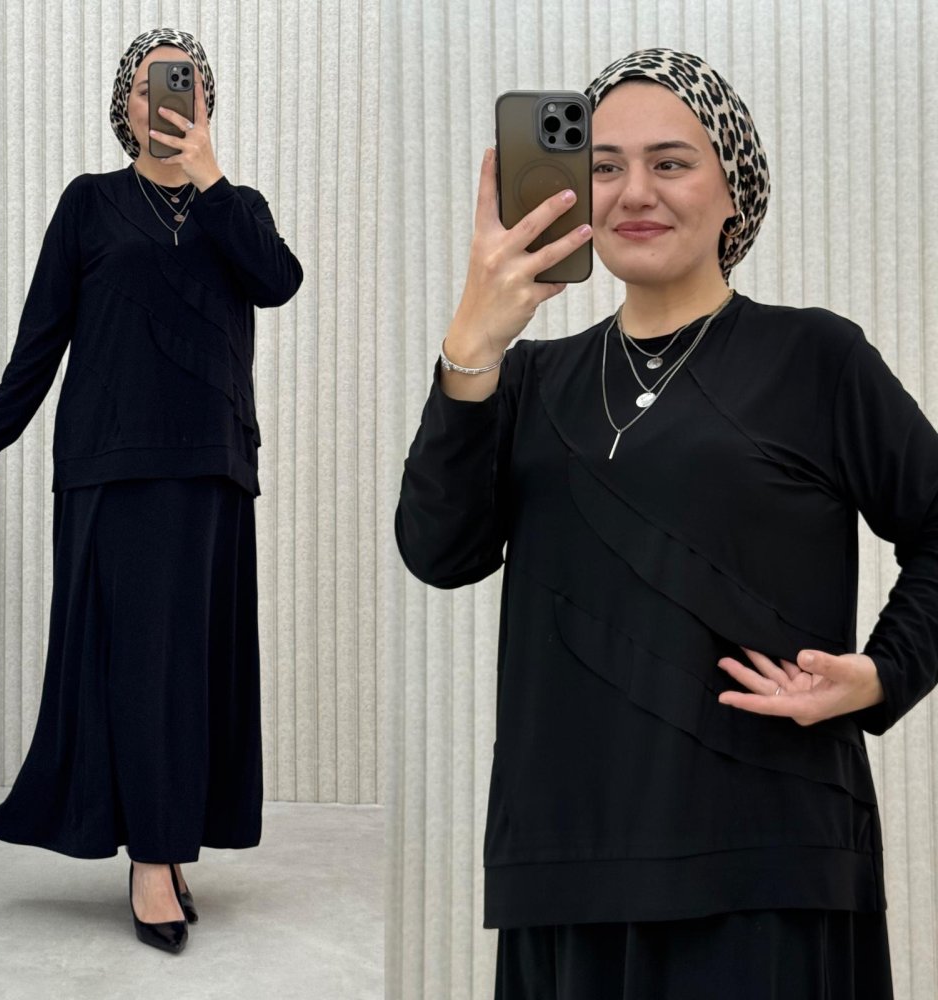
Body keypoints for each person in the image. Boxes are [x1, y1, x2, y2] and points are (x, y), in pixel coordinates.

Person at [395, 48, 938, 998]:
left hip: (769, 861)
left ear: (733, 190)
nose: (634, 191)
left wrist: (884, 672)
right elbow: (440, 552)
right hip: (566, 861)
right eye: (604, 165)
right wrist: (473, 343)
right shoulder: (526, 380)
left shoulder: (815, 357)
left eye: (671, 162)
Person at [0, 27, 302, 954]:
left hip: (213, 464)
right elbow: (43, 332)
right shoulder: (89, 203)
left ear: (207, 103)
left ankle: (169, 840)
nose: (167, 100)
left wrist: (213, 178)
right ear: (125, 105)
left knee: (191, 667)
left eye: (185, 85)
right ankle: (150, 859)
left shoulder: (238, 208)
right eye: (150, 87)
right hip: (110, 463)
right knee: (136, 662)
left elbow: (277, 283)